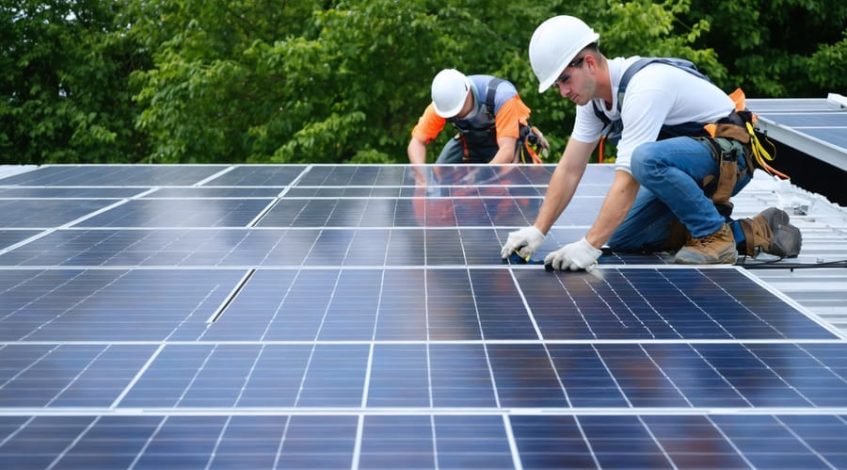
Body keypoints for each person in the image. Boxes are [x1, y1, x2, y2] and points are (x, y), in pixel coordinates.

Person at [500, 15, 801, 269]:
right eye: (557, 85)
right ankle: (753, 232)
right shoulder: (592, 104)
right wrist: (539, 229)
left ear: (589, 62)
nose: (563, 92)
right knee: (623, 238)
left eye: (565, 80)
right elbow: (569, 169)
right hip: (692, 166)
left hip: (732, 158)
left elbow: (630, 176)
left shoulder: (645, 87)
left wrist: (589, 245)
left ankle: (714, 236)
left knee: (642, 160)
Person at [407, 69, 547, 165]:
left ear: (467, 93)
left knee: (511, 191)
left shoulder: (502, 97)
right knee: (439, 176)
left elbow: (507, 152)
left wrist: (479, 180)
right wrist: (422, 177)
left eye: (456, 110)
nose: (454, 115)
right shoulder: (443, 105)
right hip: (470, 142)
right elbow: (416, 142)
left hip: (506, 144)